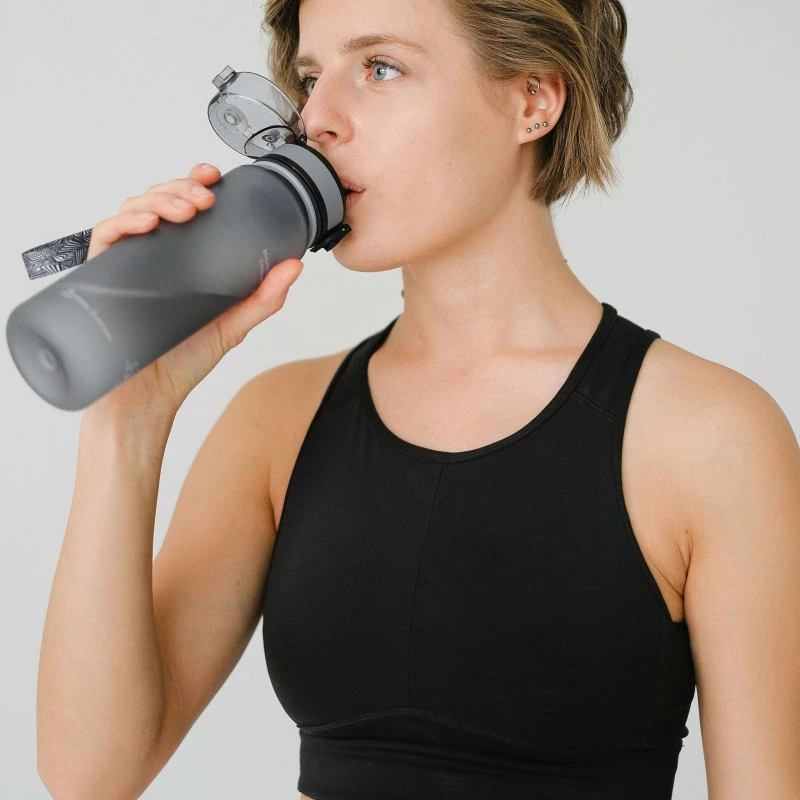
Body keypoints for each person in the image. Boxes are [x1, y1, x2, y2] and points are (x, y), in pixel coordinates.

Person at [37, 0, 800, 798]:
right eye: (308, 77)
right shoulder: (275, 424)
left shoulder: (709, 437)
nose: (318, 119)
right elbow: (91, 774)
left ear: (532, 100)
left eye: (381, 67)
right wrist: (128, 415)